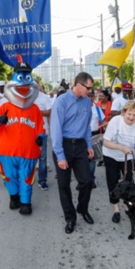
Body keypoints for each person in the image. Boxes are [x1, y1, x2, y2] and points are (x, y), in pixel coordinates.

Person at [0, 58, 45, 215]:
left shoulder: (34, 109)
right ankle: (14, 197)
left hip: (28, 151)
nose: (24, 87)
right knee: (9, 176)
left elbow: (41, 127)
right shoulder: (5, 106)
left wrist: (41, 137)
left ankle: (26, 202)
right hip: (6, 151)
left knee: (26, 177)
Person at [51, 72, 95, 234]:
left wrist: (89, 145)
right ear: (78, 85)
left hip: (81, 145)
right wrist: (60, 156)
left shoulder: (86, 102)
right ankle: (70, 218)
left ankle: (82, 209)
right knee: (64, 185)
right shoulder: (61, 102)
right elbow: (55, 130)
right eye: (88, 88)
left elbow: (87, 126)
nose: (90, 91)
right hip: (63, 145)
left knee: (87, 181)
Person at [103, 100, 135, 224]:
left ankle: (127, 205)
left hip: (128, 158)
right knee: (113, 183)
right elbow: (105, 142)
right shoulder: (115, 121)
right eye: (129, 114)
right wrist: (122, 148)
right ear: (124, 112)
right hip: (111, 155)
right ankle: (116, 210)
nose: (131, 117)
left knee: (129, 183)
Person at [33, 78, 52, 191]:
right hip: (28, 132)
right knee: (29, 157)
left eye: (35, 85)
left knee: (42, 157)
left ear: (39, 86)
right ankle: (28, 179)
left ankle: (42, 180)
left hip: (42, 132)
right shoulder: (25, 97)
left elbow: (49, 111)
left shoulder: (44, 97)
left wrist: (36, 112)